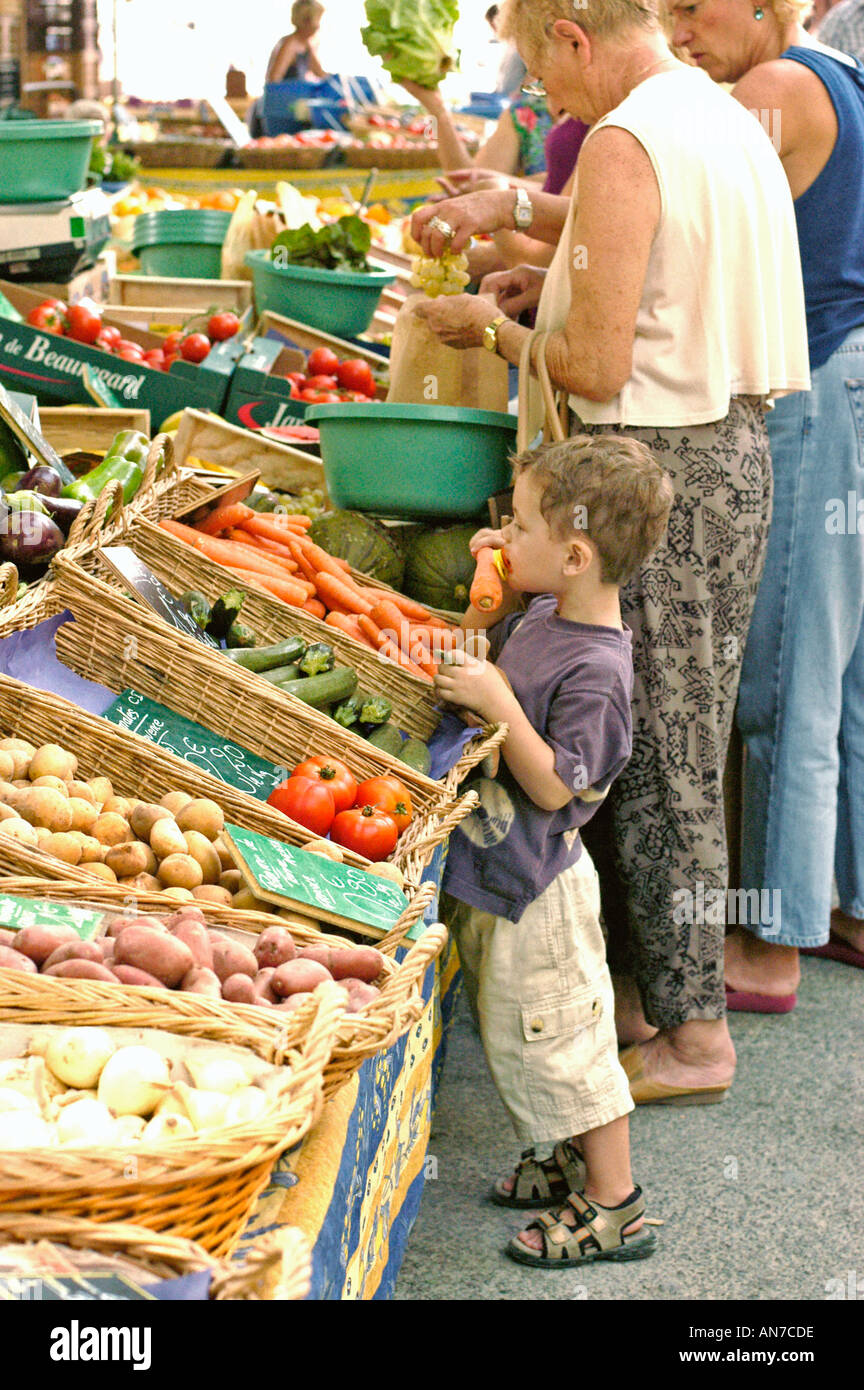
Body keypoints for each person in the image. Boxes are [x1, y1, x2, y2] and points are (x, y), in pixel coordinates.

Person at [411, 0, 810, 1106]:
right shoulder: (710, 109)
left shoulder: (631, 135)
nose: (544, 95)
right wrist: (515, 209)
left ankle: (692, 1034)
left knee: (667, 751)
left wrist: (484, 330)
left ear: (576, 38)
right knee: (676, 737)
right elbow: (627, 236)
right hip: (730, 450)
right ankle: (647, 999)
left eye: (541, 67)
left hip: (657, 462)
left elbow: (589, 361)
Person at [669, 0, 864, 1008]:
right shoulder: (840, 79)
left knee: (787, 680)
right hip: (854, 381)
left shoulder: (773, 89)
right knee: (849, 670)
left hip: (819, 385)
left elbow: (687, 226)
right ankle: (848, 910)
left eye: (686, 8)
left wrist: (524, 221)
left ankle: (773, 942)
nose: (672, 29)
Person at [437, 435, 673, 1267]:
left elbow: (556, 789)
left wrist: (499, 700)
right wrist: (492, 587)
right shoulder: (544, 612)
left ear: (573, 555)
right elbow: (482, 637)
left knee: (566, 1041)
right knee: (513, 1029)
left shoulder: (601, 669)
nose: (503, 533)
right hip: (500, 870)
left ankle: (616, 1204)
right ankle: (557, 1155)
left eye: (521, 525)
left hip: (545, 889)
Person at [265, 0, 327, 84]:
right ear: (307, 21)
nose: (319, 26)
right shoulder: (290, 43)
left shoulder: (306, 44)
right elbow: (273, 81)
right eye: (318, 20)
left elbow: (320, 74)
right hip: (286, 96)